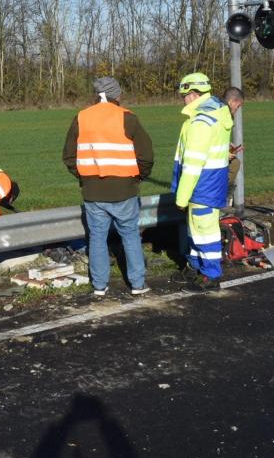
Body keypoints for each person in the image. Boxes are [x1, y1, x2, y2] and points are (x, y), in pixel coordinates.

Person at [62, 76, 155, 298]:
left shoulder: (81, 118)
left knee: (97, 238)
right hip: (125, 189)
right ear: (118, 95)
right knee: (130, 235)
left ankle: (100, 285)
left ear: (96, 95)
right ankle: (137, 283)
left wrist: (86, 176)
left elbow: (68, 156)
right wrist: (137, 177)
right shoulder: (128, 118)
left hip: (93, 191)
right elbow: (146, 156)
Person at [170, 73, 242, 291]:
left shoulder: (201, 122)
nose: (182, 99)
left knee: (204, 232)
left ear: (192, 94)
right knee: (196, 230)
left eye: (183, 95)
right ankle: (195, 267)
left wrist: (181, 197)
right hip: (208, 186)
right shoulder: (214, 115)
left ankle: (211, 277)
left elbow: (192, 166)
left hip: (202, 187)